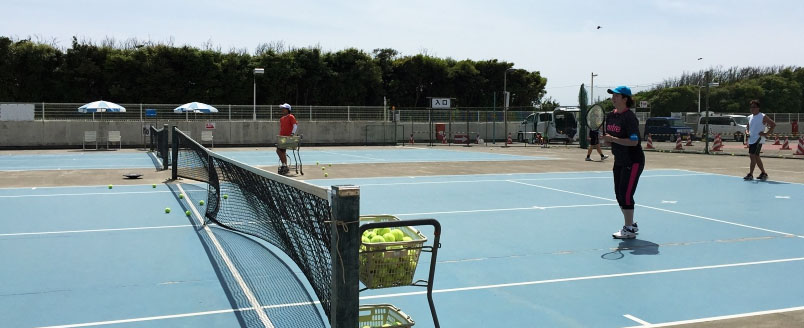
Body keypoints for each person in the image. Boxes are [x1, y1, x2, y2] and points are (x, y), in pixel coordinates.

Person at [602, 86, 645, 239]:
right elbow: (612, 141)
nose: (613, 98)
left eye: (617, 95)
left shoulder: (629, 117)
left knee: (626, 195)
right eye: (612, 95)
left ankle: (629, 229)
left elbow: (634, 141)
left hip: (633, 160)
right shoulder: (610, 116)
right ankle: (631, 224)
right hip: (619, 159)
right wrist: (608, 142)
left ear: (625, 99)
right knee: (619, 195)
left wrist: (613, 139)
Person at [743, 99, 775, 181]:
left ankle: (750, 174)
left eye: (754, 107)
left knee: (752, 155)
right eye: (751, 107)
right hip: (751, 139)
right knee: (756, 156)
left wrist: (765, 134)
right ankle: (763, 173)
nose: (752, 109)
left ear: (758, 108)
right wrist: (747, 132)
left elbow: (773, 124)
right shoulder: (750, 117)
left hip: (758, 139)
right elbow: (748, 127)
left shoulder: (763, 116)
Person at [276, 103, 298, 175]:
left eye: (284, 108)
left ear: (288, 110)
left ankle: (284, 165)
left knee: (278, 150)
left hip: (287, 138)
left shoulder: (291, 117)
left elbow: (295, 126)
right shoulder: (281, 119)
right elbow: (282, 128)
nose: (282, 110)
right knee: (282, 151)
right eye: (282, 108)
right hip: (282, 138)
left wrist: (292, 134)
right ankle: (285, 166)